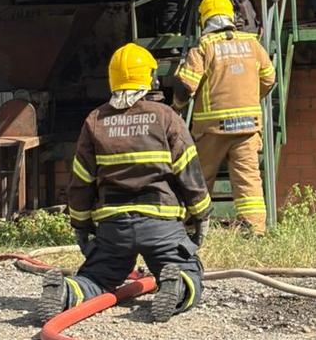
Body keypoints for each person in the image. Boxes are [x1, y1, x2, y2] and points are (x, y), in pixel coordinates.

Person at [38, 42, 211, 324]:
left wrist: (81, 226)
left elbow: (81, 182)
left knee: (96, 278)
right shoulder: (167, 117)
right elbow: (189, 173)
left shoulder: (95, 121)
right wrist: (201, 216)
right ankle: (177, 286)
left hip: (113, 229)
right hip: (161, 226)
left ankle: (65, 294)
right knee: (188, 272)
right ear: (151, 78)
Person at [173, 0, 275, 234]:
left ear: (204, 20)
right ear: (231, 16)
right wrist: (250, 95)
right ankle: (255, 229)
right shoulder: (252, 44)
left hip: (212, 128)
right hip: (248, 126)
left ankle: (192, 226)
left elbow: (186, 87)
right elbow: (269, 79)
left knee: (200, 177)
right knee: (248, 179)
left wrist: (176, 107)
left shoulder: (204, 47)